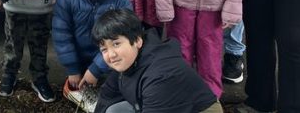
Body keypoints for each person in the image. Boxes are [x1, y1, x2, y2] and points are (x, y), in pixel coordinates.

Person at [52, 0, 132, 112]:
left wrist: (96, 69)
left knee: (116, 85)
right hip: (78, 58)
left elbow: (121, 39)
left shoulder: (121, 1)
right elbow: (61, 34)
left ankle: (105, 92)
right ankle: (76, 87)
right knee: (77, 81)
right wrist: (72, 68)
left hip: (108, 60)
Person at [92, 9, 222, 113]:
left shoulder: (161, 75)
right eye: (104, 49)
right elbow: (107, 96)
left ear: (137, 41)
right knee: (114, 110)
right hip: (161, 105)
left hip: (199, 110)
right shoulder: (125, 61)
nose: (111, 55)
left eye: (116, 44)